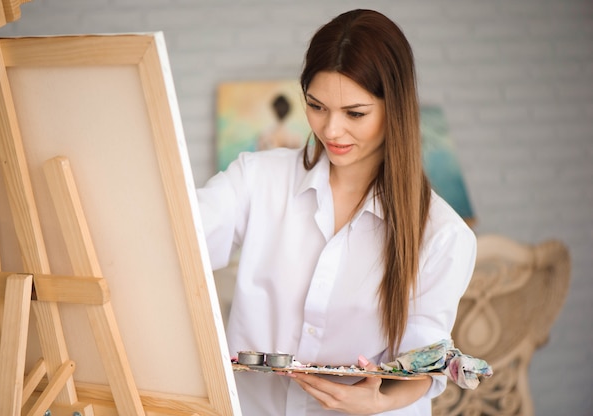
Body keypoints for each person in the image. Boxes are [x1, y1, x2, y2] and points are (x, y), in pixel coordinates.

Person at [197, 9, 476, 416]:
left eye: (355, 114)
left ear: (394, 108)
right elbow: (181, 239)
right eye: (316, 106)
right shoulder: (256, 178)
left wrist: (379, 399)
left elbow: (427, 355)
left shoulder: (443, 234)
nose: (330, 130)